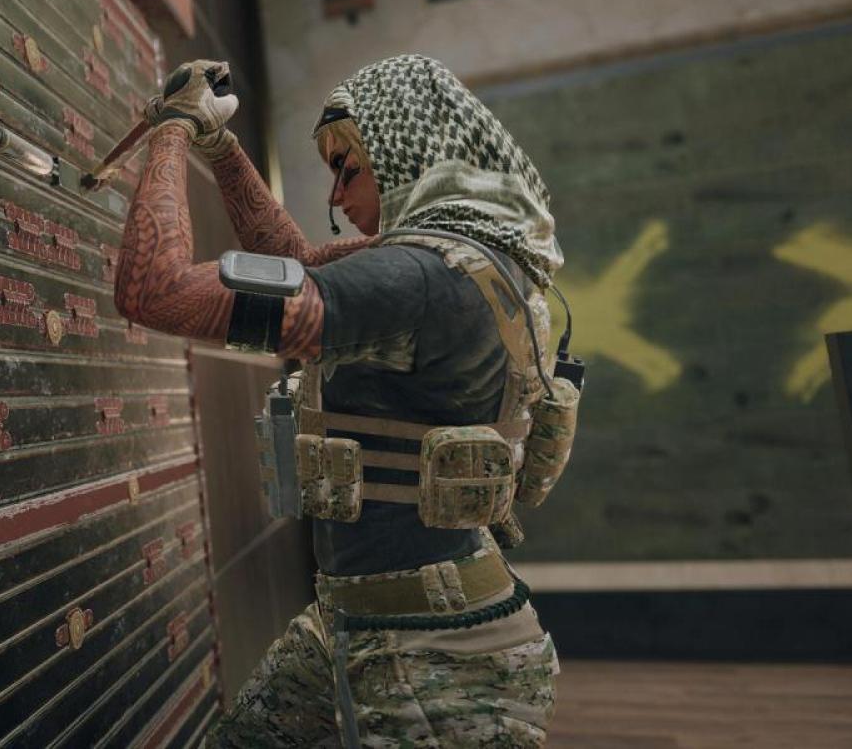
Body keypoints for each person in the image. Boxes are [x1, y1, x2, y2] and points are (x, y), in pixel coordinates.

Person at [114, 55, 564, 748]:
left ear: (404, 153)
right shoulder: (474, 260)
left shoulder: (415, 278)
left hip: (436, 663)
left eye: (347, 170)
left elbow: (155, 291)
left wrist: (172, 126)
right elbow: (293, 262)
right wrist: (220, 145)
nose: (335, 198)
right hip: (368, 620)